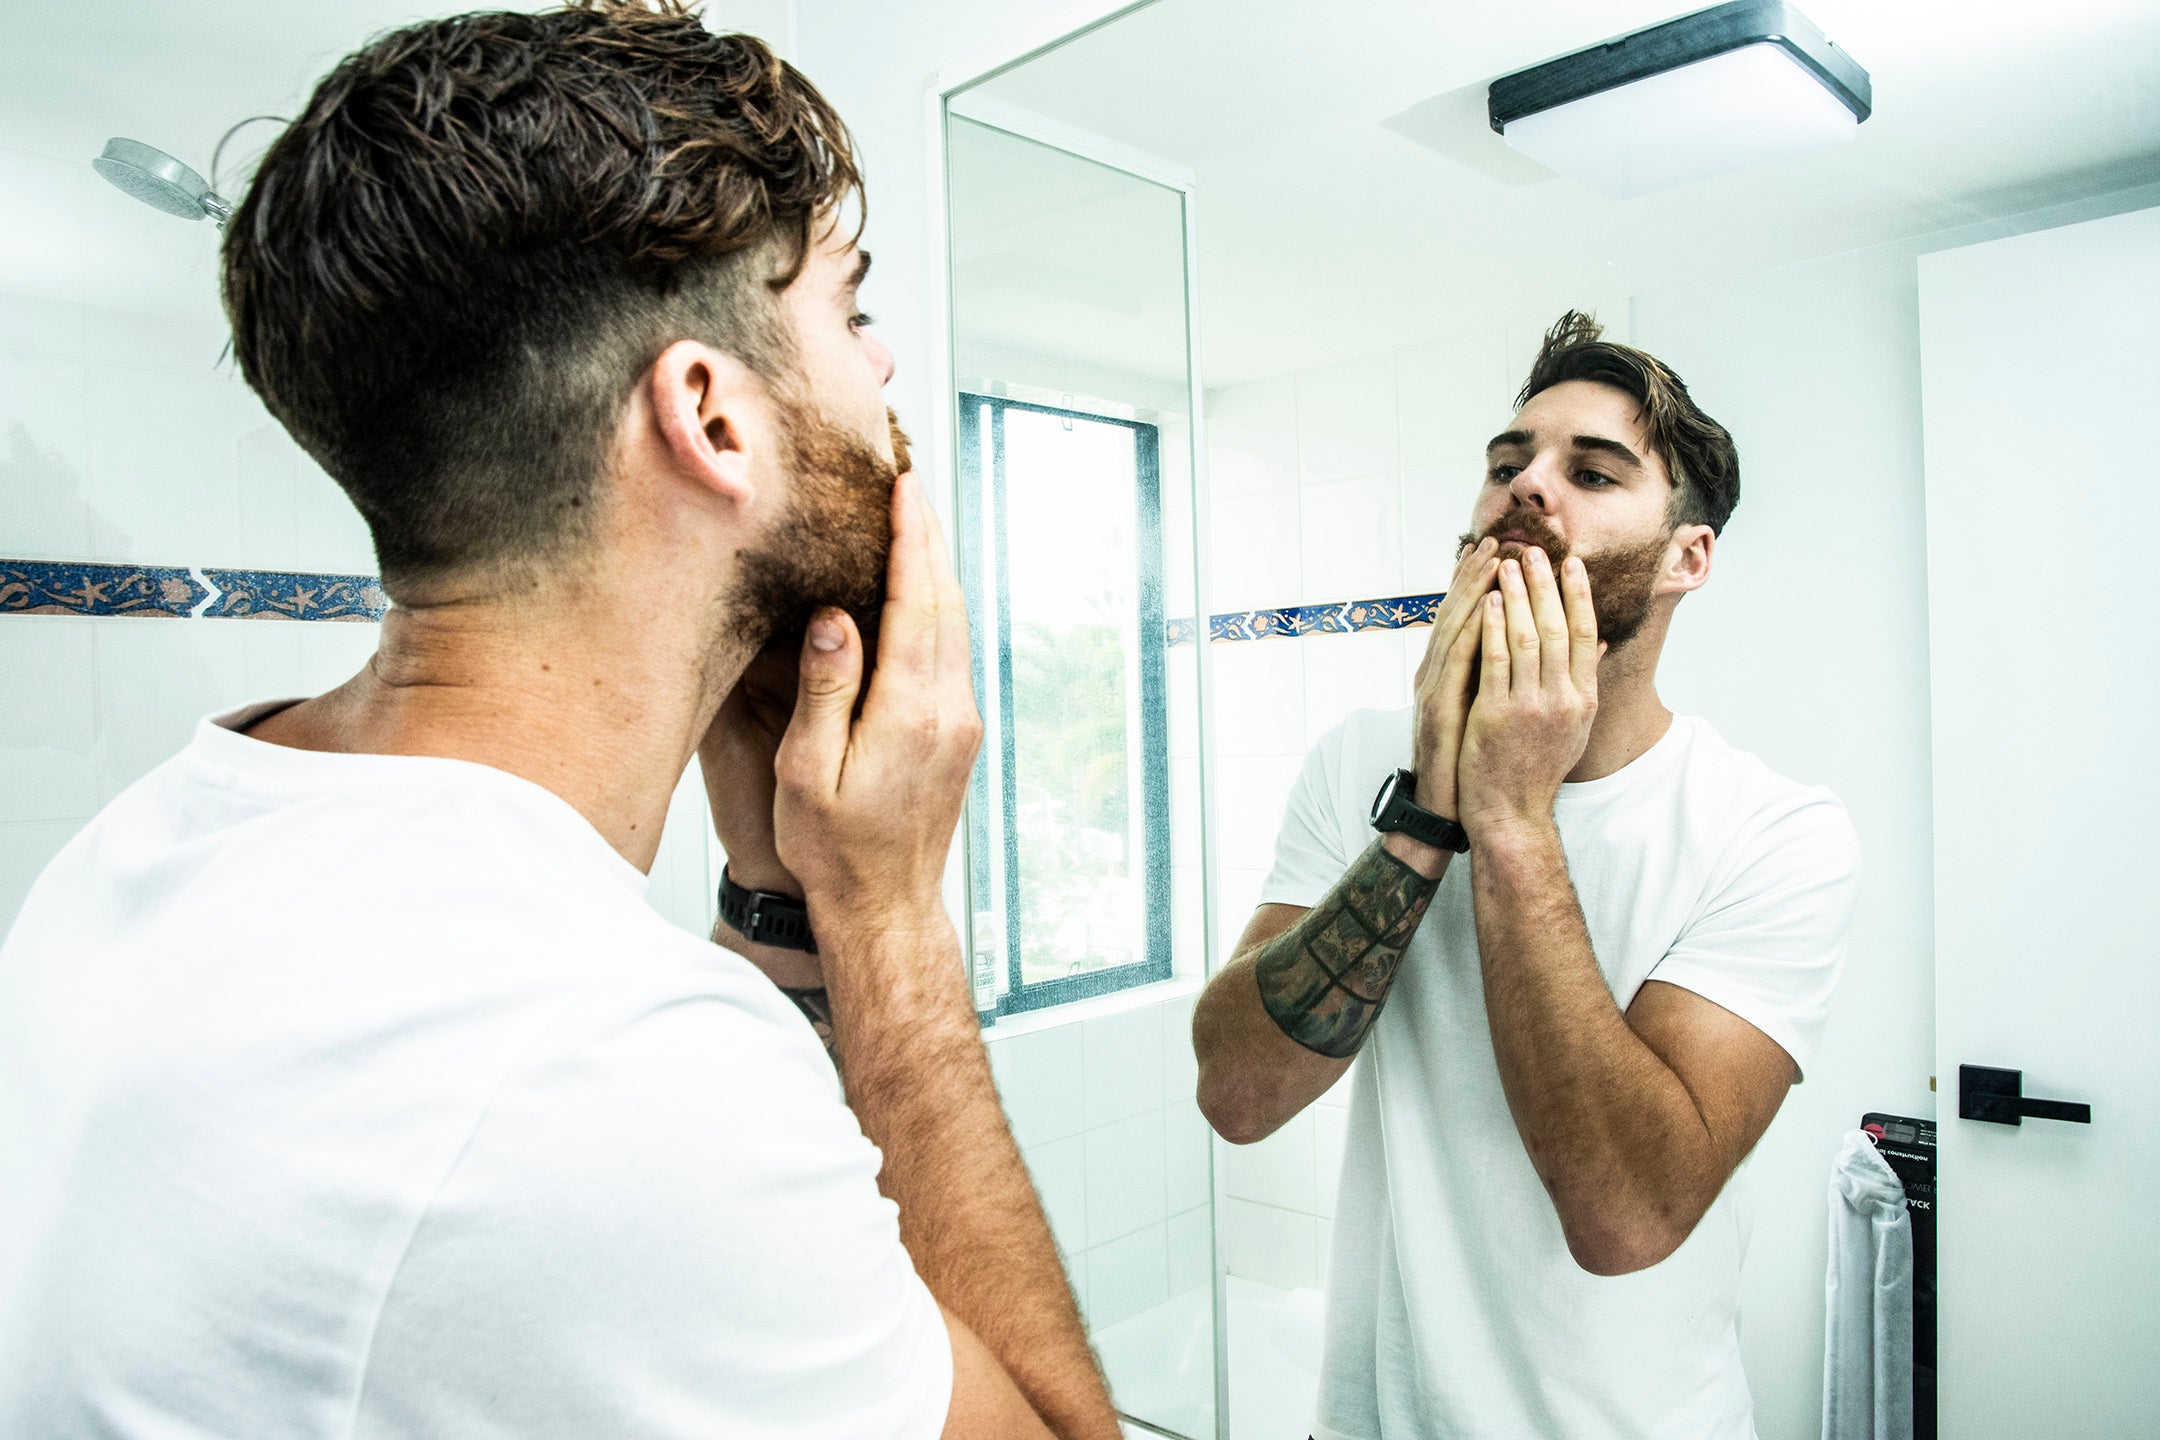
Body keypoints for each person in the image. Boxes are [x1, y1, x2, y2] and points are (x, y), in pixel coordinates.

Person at [0, 5, 1118, 1437]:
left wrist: (780, 895)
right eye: (850, 309)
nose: (884, 369)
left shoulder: (140, 847)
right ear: (710, 418)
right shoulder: (594, 1065)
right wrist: (888, 918)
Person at [1192, 312, 1862, 1439]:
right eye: (1508, 464)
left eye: (1592, 472)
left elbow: (1627, 1216)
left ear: (1688, 557)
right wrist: (1428, 813)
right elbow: (1237, 1095)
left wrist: (1508, 815)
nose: (1528, 488)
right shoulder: (1362, 761)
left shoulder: (1776, 834)